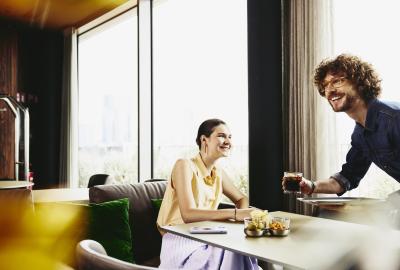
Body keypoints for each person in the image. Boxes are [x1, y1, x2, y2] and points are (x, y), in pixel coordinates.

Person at [285, 54, 400, 196]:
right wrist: (311, 186)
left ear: (360, 83)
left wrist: (394, 201)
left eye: (337, 81)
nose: (330, 90)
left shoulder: (394, 119)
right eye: (325, 86)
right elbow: (346, 178)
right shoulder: (360, 135)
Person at [157, 119, 259, 269]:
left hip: (207, 235)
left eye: (230, 137)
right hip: (179, 239)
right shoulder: (184, 165)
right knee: (234, 250)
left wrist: (239, 223)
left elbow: (241, 198)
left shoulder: (218, 172)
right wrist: (236, 214)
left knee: (238, 248)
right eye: (222, 136)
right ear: (204, 140)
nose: (228, 141)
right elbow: (188, 215)